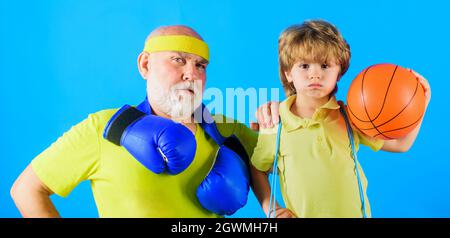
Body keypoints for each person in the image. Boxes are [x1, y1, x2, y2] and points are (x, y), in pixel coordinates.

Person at [10, 25, 258, 218]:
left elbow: (282, 157)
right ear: (145, 65)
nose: (191, 74)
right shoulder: (104, 128)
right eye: (178, 60)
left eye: (200, 65)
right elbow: (26, 190)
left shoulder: (225, 129)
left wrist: (282, 112)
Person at [251, 20, 432, 218]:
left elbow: (400, 144)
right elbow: (257, 169)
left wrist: (421, 103)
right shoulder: (275, 123)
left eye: (325, 65)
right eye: (304, 65)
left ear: (339, 72)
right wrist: (272, 209)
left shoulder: (352, 117)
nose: (315, 74)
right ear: (288, 74)